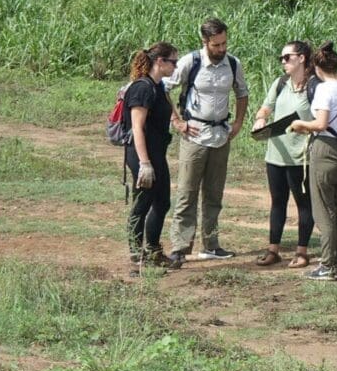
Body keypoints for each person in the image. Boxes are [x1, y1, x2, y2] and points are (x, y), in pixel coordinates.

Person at [166, 18, 248, 264]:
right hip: (195, 135)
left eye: (224, 43)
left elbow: (242, 93)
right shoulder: (190, 62)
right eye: (216, 45)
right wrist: (177, 121)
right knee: (186, 193)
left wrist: (238, 123)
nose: (222, 49)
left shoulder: (233, 64)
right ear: (205, 42)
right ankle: (180, 247)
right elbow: (164, 88)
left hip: (221, 136)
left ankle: (211, 244)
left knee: (214, 195)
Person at [289, 42, 337, 281]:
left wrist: (300, 125)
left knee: (323, 210)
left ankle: (328, 265)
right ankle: (332, 262)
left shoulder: (323, 89)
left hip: (326, 149)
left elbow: (320, 124)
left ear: (316, 67)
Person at [251, 40, 316, 269]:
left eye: (287, 57)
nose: (283, 62)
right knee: (277, 202)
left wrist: (305, 126)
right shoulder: (280, 83)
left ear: (302, 58)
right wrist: (261, 119)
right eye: (282, 58)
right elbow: (266, 107)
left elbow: (322, 120)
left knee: (303, 203)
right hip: (275, 155)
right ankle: (273, 250)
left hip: (301, 158)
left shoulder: (314, 86)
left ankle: (302, 252)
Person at [124, 42, 182, 277]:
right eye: (173, 62)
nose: (175, 66)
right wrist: (144, 163)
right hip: (142, 155)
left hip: (157, 153)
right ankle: (136, 254)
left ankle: (153, 250)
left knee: (162, 202)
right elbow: (137, 128)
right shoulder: (142, 89)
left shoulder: (158, 88)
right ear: (160, 61)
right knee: (142, 203)